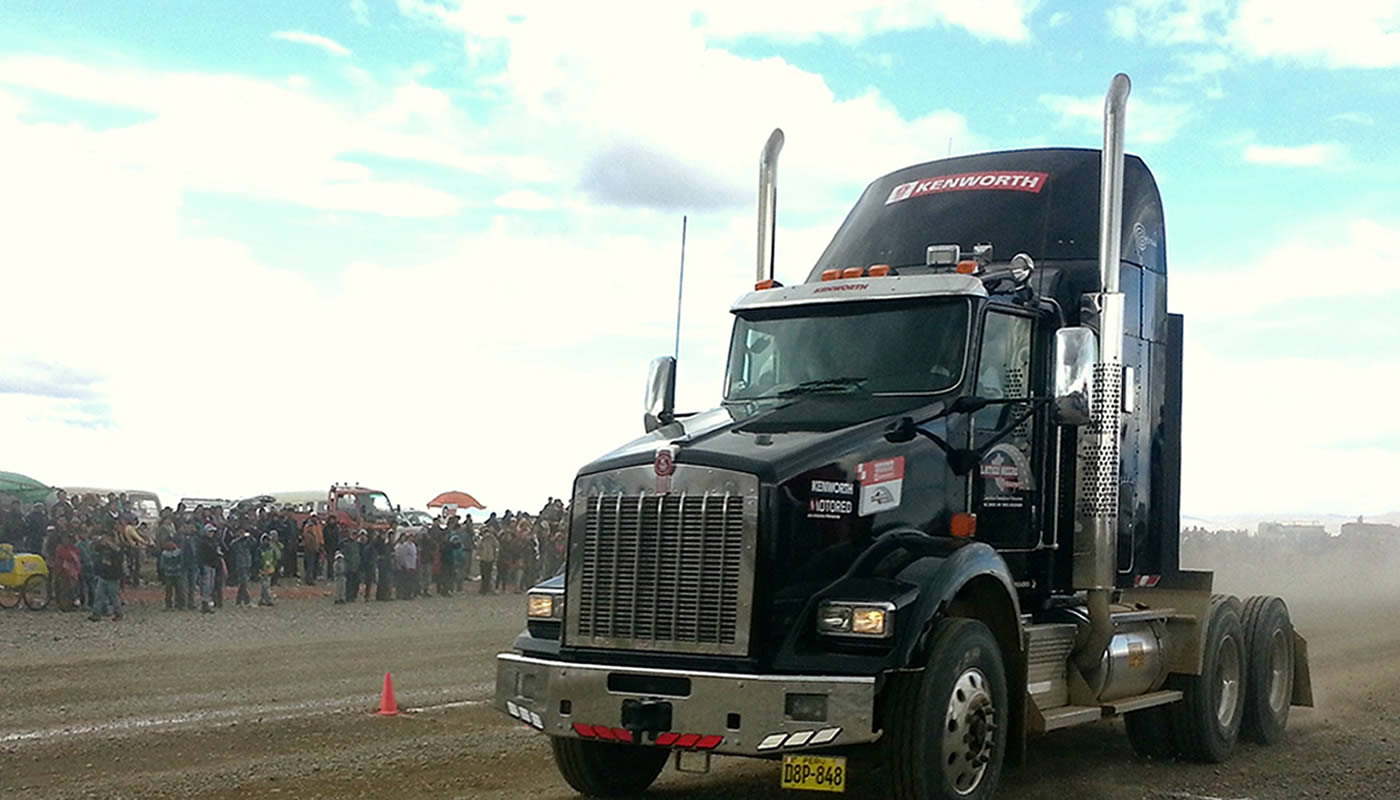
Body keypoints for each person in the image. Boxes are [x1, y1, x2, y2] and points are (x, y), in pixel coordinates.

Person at [89, 532, 125, 621]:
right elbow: (95, 548)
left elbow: (119, 556)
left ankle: (118, 613)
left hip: (113, 577)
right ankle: (96, 614)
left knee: (114, 597)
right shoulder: (102, 548)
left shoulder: (117, 549)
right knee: (98, 595)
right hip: (103, 575)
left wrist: (110, 543)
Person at [196, 524, 221, 613]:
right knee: (205, 585)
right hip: (206, 565)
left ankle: (207, 602)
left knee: (211, 585)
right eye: (210, 531)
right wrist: (201, 565)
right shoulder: (203, 542)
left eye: (213, 532)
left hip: (213, 564)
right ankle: (204, 603)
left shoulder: (214, 541)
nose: (212, 533)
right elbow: (201, 555)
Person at [54, 533, 82, 612]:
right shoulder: (60, 548)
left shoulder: (74, 548)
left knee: (72, 589)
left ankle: (70, 605)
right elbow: (64, 557)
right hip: (62, 570)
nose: (66, 540)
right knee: (63, 589)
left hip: (73, 572)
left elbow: (78, 555)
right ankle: (64, 606)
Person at [158, 536, 185, 610]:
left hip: (178, 573)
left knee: (180, 589)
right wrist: (167, 569)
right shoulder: (164, 553)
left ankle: (180, 605)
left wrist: (178, 567)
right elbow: (162, 565)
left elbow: (182, 562)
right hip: (168, 574)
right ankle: (168, 605)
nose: (170, 544)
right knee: (168, 590)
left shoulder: (178, 552)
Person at [259, 530, 280, 606]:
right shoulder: (260, 550)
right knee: (265, 585)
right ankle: (268, 600)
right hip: (262, 569)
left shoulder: (271, 549)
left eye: (267, 540)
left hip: (270, 569)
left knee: (265, 585)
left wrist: (274, 565)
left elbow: (275, 558)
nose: (266, 541)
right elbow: (257, 559)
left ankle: (263, 599)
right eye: (264, 540)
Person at [301, 514, 323, 584]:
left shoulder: (318, 525)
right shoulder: (309, 526)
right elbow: (307, 537)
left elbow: (320, 536)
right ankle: (309, 579)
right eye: (313, 517)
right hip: (310, 548)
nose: (315, 518)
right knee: (310, 564)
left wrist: (321, 544)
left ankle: (313, 577)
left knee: (316, 564)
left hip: (318, 547)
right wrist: (311, 546)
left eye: (315, 517)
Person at [341, 530, 362, 605]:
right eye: (353, 534)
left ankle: (354, 596)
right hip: (349, 566)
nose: (354, 536)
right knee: (349, 582)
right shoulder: (345, 543)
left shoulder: (358, 544)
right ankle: (348, 596)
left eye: (355, 535)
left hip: (357, 566)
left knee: (356, 582)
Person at [476, 524, 498, 595]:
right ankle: (485, 589)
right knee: (486, 575)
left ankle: (485, 589)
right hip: (486, 558)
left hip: (487, 558)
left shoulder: (490, 540)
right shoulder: (484, 540)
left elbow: (496, 546)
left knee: (486, 575)